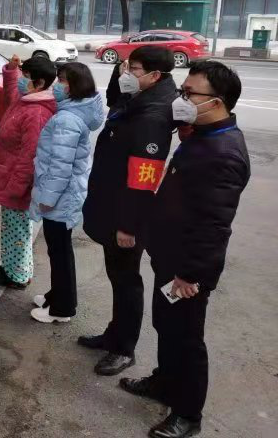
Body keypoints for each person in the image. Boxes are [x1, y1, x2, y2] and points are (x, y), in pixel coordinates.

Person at [120, 61, 250, 438]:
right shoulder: (203, 135)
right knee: (166, 325)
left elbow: (213, 225)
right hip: (169, 256)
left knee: (187, 338)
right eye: (183, 91)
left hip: (187, 270)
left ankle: (188, 414)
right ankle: (164, 382)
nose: (182, 99)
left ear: (217, 102)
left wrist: (190, 275)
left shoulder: (224, 152)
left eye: (190, 94)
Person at [81, 46, 176, 376]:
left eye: (133, 69)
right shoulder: (140, 99)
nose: (127, 74)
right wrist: (119, 73)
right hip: (113, 205)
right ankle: (114, 334)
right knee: (117, 276)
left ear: (154, 75)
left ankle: (124, 349)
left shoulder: (152, 117)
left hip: (126, 216)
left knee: (127, 282)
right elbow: (115, 99)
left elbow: (142, 180)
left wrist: (129, 226)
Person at [28, 62, 104, 323]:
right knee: (58, 249)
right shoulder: (72, 113)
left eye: (62, 81)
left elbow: (60, 165)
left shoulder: (67, 119)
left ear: (74, 86)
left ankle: (62, 309)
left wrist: (47, 199)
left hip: (60, 196)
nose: (57, 86)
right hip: (65, 194)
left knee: (59, 251)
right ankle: (58, 295)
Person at [0, 54, 57, 289]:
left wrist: (17, 186)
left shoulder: (37, 113)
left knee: (18, 230)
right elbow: (11, 91)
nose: (22, 80)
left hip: (17, 182)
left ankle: (18, 275)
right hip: (10, 176)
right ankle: (12, 268)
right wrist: (12, 70)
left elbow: (30, 156)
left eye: (26, 76)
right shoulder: (27, 100)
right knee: (11, 227)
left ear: (40, 83)